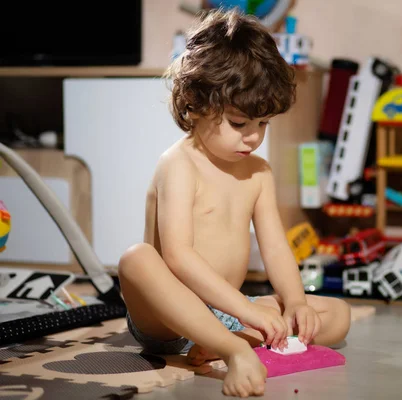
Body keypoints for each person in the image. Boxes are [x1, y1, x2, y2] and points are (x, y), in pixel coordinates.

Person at [117, 7, 351, 398]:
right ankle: (234, 348)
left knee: (337, 316)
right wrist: (248, 314)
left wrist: (293, 302)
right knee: (136, 258)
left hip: (227, 309)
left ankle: (222, 337)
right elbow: (178, 257)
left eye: (263, 124)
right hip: (168, 318)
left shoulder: (258, 172)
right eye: (240, 123)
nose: (253, 137)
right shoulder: (179, 164)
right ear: (195, 102)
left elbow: (275, 247)